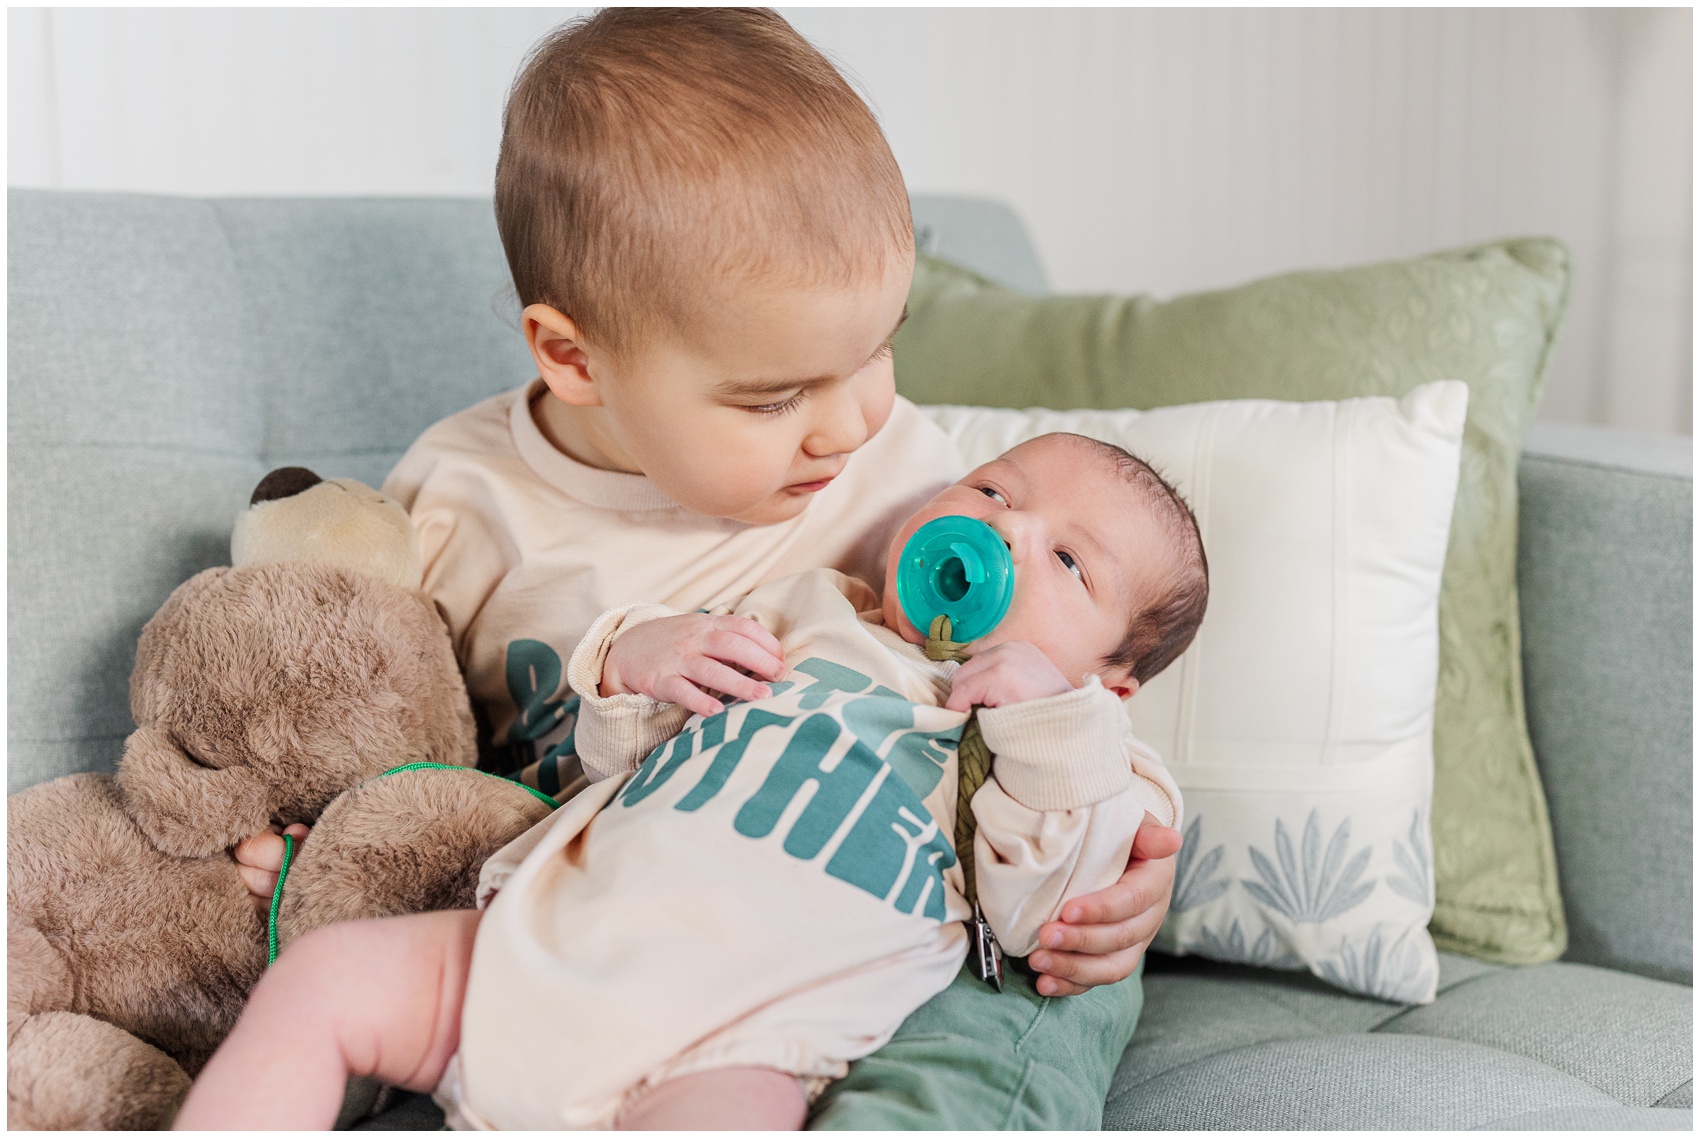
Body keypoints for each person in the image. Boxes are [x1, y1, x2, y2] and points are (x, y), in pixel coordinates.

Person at [227, 9, 1186, 1129]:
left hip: (764, 992)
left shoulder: (905, 484)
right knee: (320, 985)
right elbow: (386, 713)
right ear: (573, 356)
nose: (849, 425)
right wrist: (337, 827)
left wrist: (1127, 865)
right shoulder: (455, 501)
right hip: (550, 914)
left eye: (877, 347)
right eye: (776, 397)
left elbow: (1049, 686)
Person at [176, 433, 1208, 1130]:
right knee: (324, 980)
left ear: (1113, 677)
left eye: (1070, 563)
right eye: (990, 491)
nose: (1004, 535)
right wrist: (640, 654)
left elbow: (1037, 913)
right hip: (542, 947)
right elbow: (622, 747)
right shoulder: (811, 608)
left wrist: (1042, 720)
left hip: (737, 1042)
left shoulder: (1081, 755)